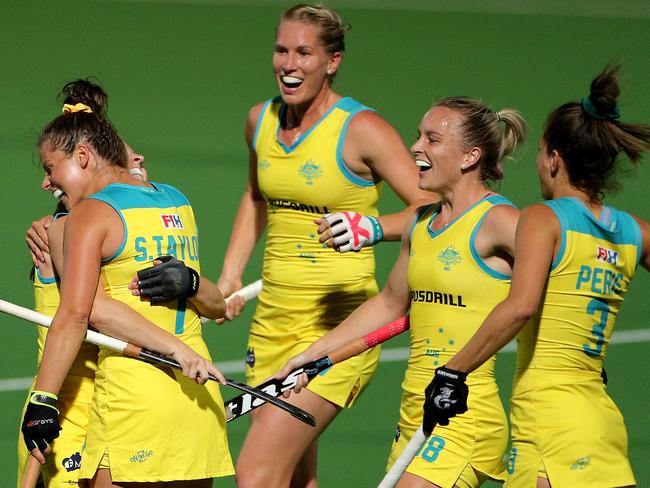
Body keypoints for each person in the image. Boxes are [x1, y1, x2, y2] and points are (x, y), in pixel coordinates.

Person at [215, 4, 433, 486]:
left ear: (332, 61)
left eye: (304, 53)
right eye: (281, 50)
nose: (289, 64)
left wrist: (373, 227)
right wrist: (231, 272)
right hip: (272, 321)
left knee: (255, 472)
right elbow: (256, 196)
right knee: (293, 476)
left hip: (338, 326)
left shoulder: (363, 130)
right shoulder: (260, 120)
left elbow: (434, 208)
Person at [278, 96, 526, 487]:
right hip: (415, 413)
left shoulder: (500, 220)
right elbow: (390, 303)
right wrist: (311, 353)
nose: (416, 148)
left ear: (469, 156)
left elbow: (556, 271)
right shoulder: (421, 224)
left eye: (433, 139)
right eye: (418, 136)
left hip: (463, 414)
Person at [433, 64, 650, 487]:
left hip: (550, 425)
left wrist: (452, 373)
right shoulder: (633, 231)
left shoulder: (542, 219)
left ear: (554, 159)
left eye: (539, 153)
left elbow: (521, 306)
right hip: (601, 424)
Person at [20, 89, 234, 486]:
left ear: (83, 156)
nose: (46, 181)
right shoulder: (177, 202)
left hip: (133, 403)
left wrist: (43, 401)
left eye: (51, 168)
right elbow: (216, 305)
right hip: (198, 402)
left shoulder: (89, 215)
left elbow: (82, 312)